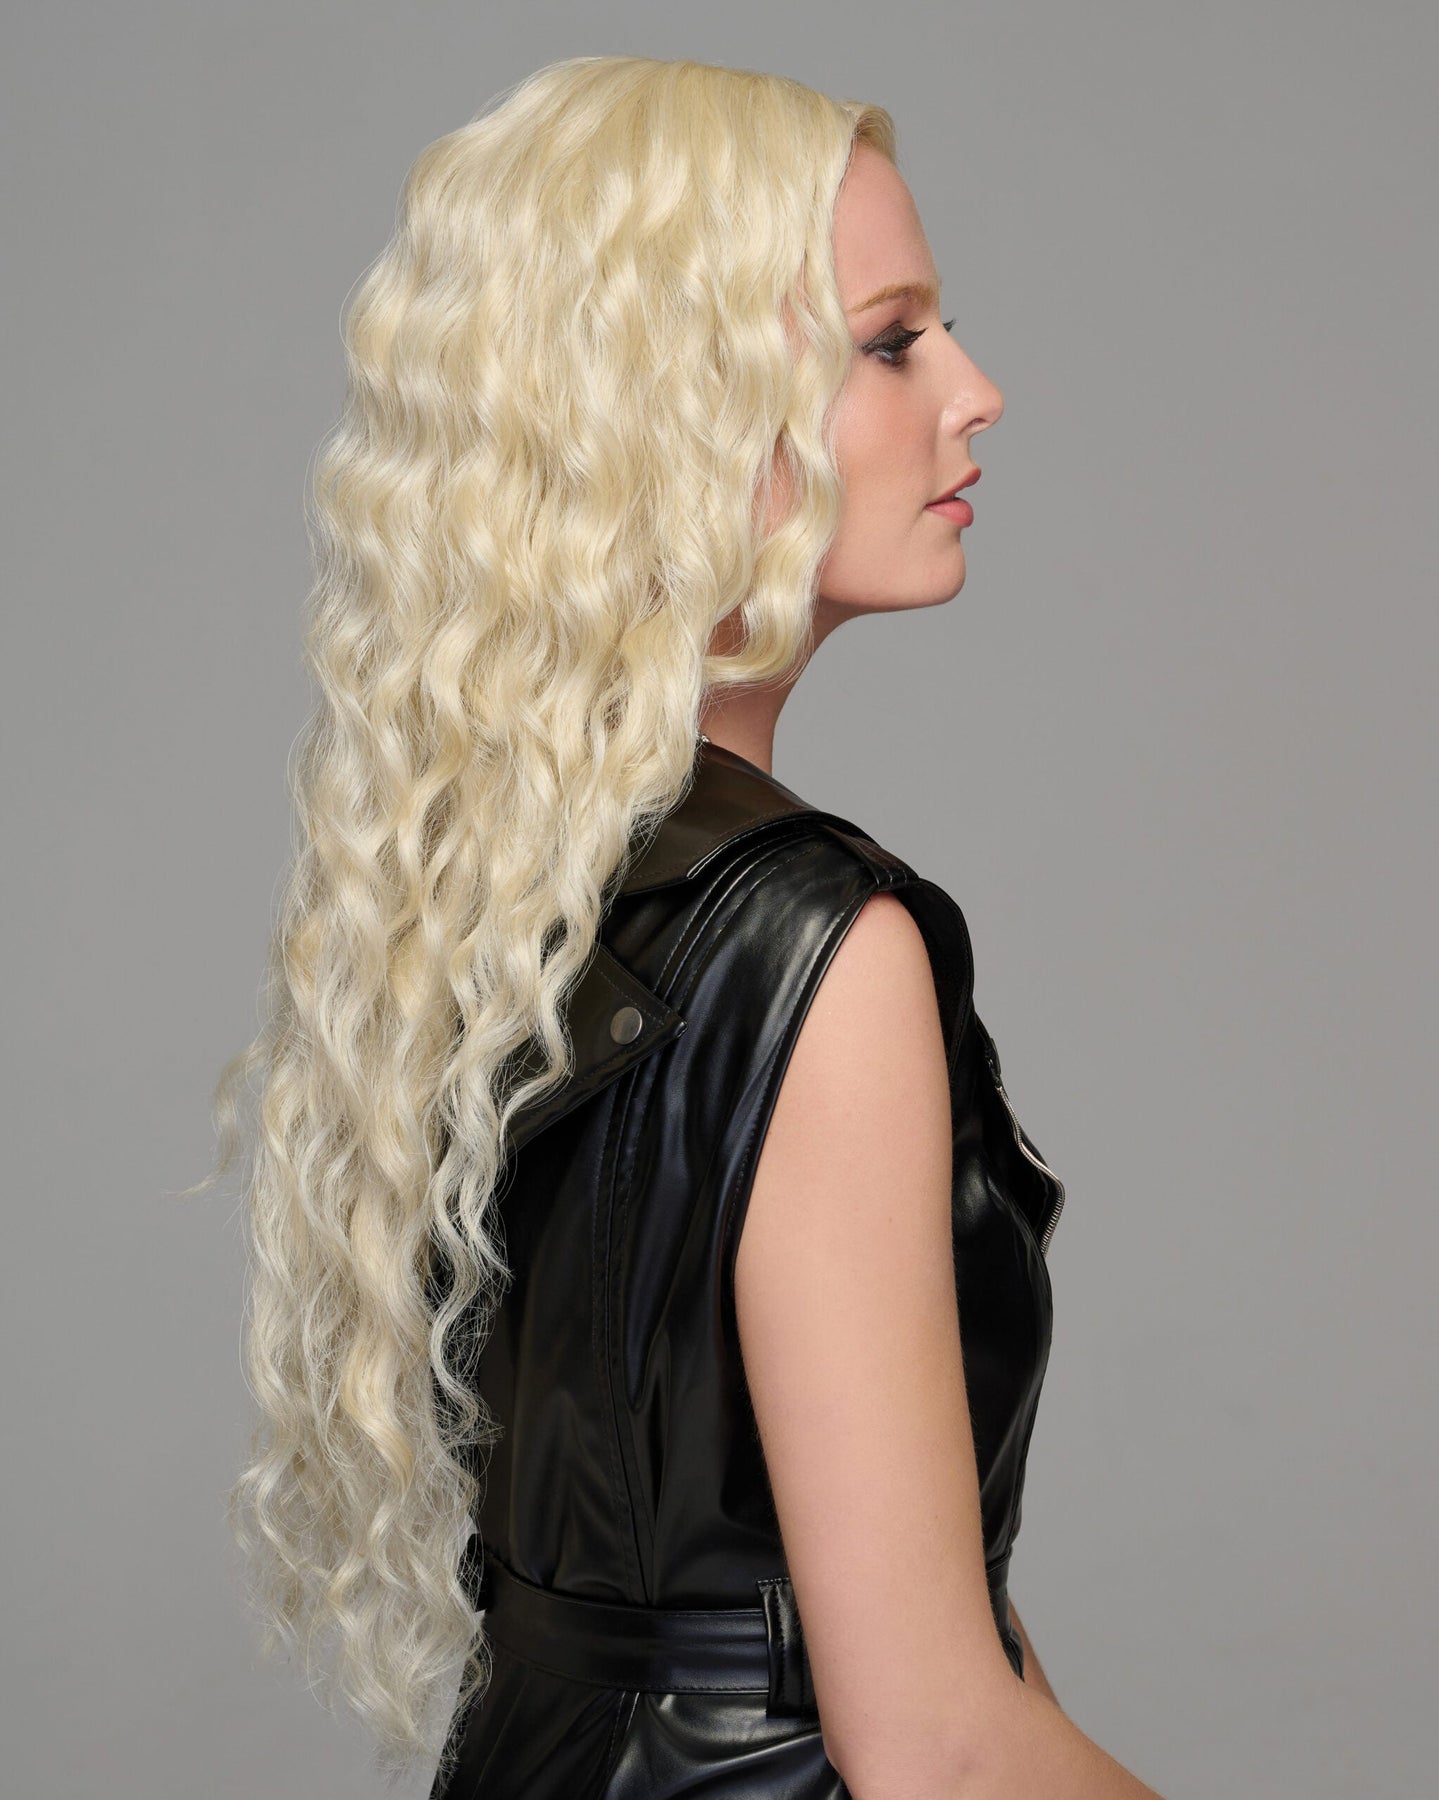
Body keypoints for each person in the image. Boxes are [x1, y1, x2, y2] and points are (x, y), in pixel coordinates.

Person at [191, 54, 1167, 1798]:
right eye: (894, 343)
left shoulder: (495, 891)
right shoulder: (818, 948)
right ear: (689, 408)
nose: (977, 392)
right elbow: (934, 1748)